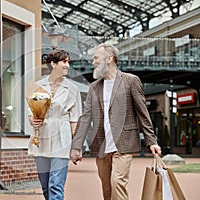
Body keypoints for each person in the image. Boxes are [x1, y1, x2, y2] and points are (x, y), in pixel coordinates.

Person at [70, 43, 161, 200]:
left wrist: (151, 140)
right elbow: (86, 117)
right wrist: (76, 146)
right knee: (107, 188)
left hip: (123, 143)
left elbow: (142, 112)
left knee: (117, 182)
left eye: (96, 58)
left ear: (109, 58)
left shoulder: (130, 81)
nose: (93, 62)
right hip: (101, 145)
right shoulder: (94, 87)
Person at [28, 48, 82, 200]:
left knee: (55, 185)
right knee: (45, 186)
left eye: (68, 62)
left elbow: (74, 119)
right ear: (53, 64)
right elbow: (30, 112)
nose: (67, 66)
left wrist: (77, 146)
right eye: (64, 62)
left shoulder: (73, 89)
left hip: (62, 139)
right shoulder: (37, 86)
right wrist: (32, 120)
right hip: (41, 139)